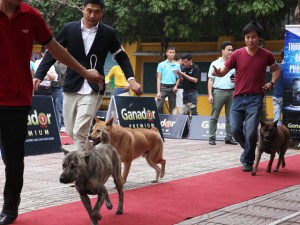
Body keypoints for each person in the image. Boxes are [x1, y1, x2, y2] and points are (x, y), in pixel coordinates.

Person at [0, 0, 102, 224]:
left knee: (13, 161)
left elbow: (54, 48)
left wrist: (84, 71)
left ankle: (9, 209)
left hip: (15, 101)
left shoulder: (31, 16)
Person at [34, 0, 142, 153]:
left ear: (102, 12)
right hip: (71, 86)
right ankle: (95, 156)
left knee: (79, 131)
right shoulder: (69, 29)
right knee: (71, 131)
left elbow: (122, 57)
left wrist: (131, 80)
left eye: (97, 12)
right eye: (89, 10)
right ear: (82, 9)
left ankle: (80, 169)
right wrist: (39, 74)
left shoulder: (108, 33)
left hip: (94, 88)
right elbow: (53, 51)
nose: (92, 15)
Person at [213, 21, 280, 172]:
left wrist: (271, 83)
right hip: (237, 98)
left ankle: (248, 161)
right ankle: (249, 151)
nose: (250, 40)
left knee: (250, 132)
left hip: (255, 98)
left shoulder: (266, 54)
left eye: (253, 37)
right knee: (235, 129)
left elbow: (276, 70)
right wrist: (219, 73)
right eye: (247, 37)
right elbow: (224, 70)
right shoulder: (237, 54)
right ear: (244, 38)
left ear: (259, 38)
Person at [207, 41, 237, 145]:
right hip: (218, 92)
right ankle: (211, 137)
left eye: (232, 50)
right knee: (214, 116)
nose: (231, 52)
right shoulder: (215, 63)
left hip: (232, 92)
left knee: (230, 117)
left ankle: (228, 137)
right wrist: (210, 95)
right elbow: (210, 80)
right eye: (229, 50)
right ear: (222, 50)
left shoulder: (234, 64)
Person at [156, 46, 180, 114]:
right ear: (166, 53)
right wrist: (158, 92)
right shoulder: (161, 64)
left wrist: (176, 86)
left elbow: (179, 77)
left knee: (172, 109)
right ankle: (159, 122)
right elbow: (158, 78)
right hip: (163, 88)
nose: (172, 54)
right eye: (170, 52)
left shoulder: (177, 65)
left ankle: (171, 123)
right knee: (158, 106)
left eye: (173, 53)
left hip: (172, 88)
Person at [52, 61, 67, 131]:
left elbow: (61, 75)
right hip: (53, 87)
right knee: (56, 108)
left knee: (59, 108)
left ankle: (63, 124)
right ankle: (59, 125)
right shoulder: (56, 64)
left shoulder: (62, 64)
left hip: (59, 87)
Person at [272, 49, 284, 125]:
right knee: (288, 117)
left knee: (276, 117)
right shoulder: (291, 68)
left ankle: (277, 134)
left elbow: (273, 82)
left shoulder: (277, 67)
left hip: (276, 95)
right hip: (286, 97)